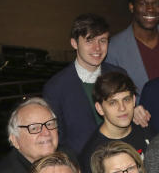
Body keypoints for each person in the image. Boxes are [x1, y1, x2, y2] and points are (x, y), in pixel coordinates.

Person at [43, 14, 129, 154]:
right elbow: (58, 140)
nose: (97, 48)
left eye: (102, 41)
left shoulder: (120, 75)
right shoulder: (55, 88)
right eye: (89, 41)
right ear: (74, 43)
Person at [78, 72, 150, 173]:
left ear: (134, 100)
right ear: (100, 108)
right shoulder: (93, 154)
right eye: (113, 102)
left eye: (126, 100)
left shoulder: (146, 131)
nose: (122, 108)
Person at [107, 0, 159, 93]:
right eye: (143, 3)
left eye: (156, 4)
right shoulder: (114, 48)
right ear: (132, 7)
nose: (150, 9)